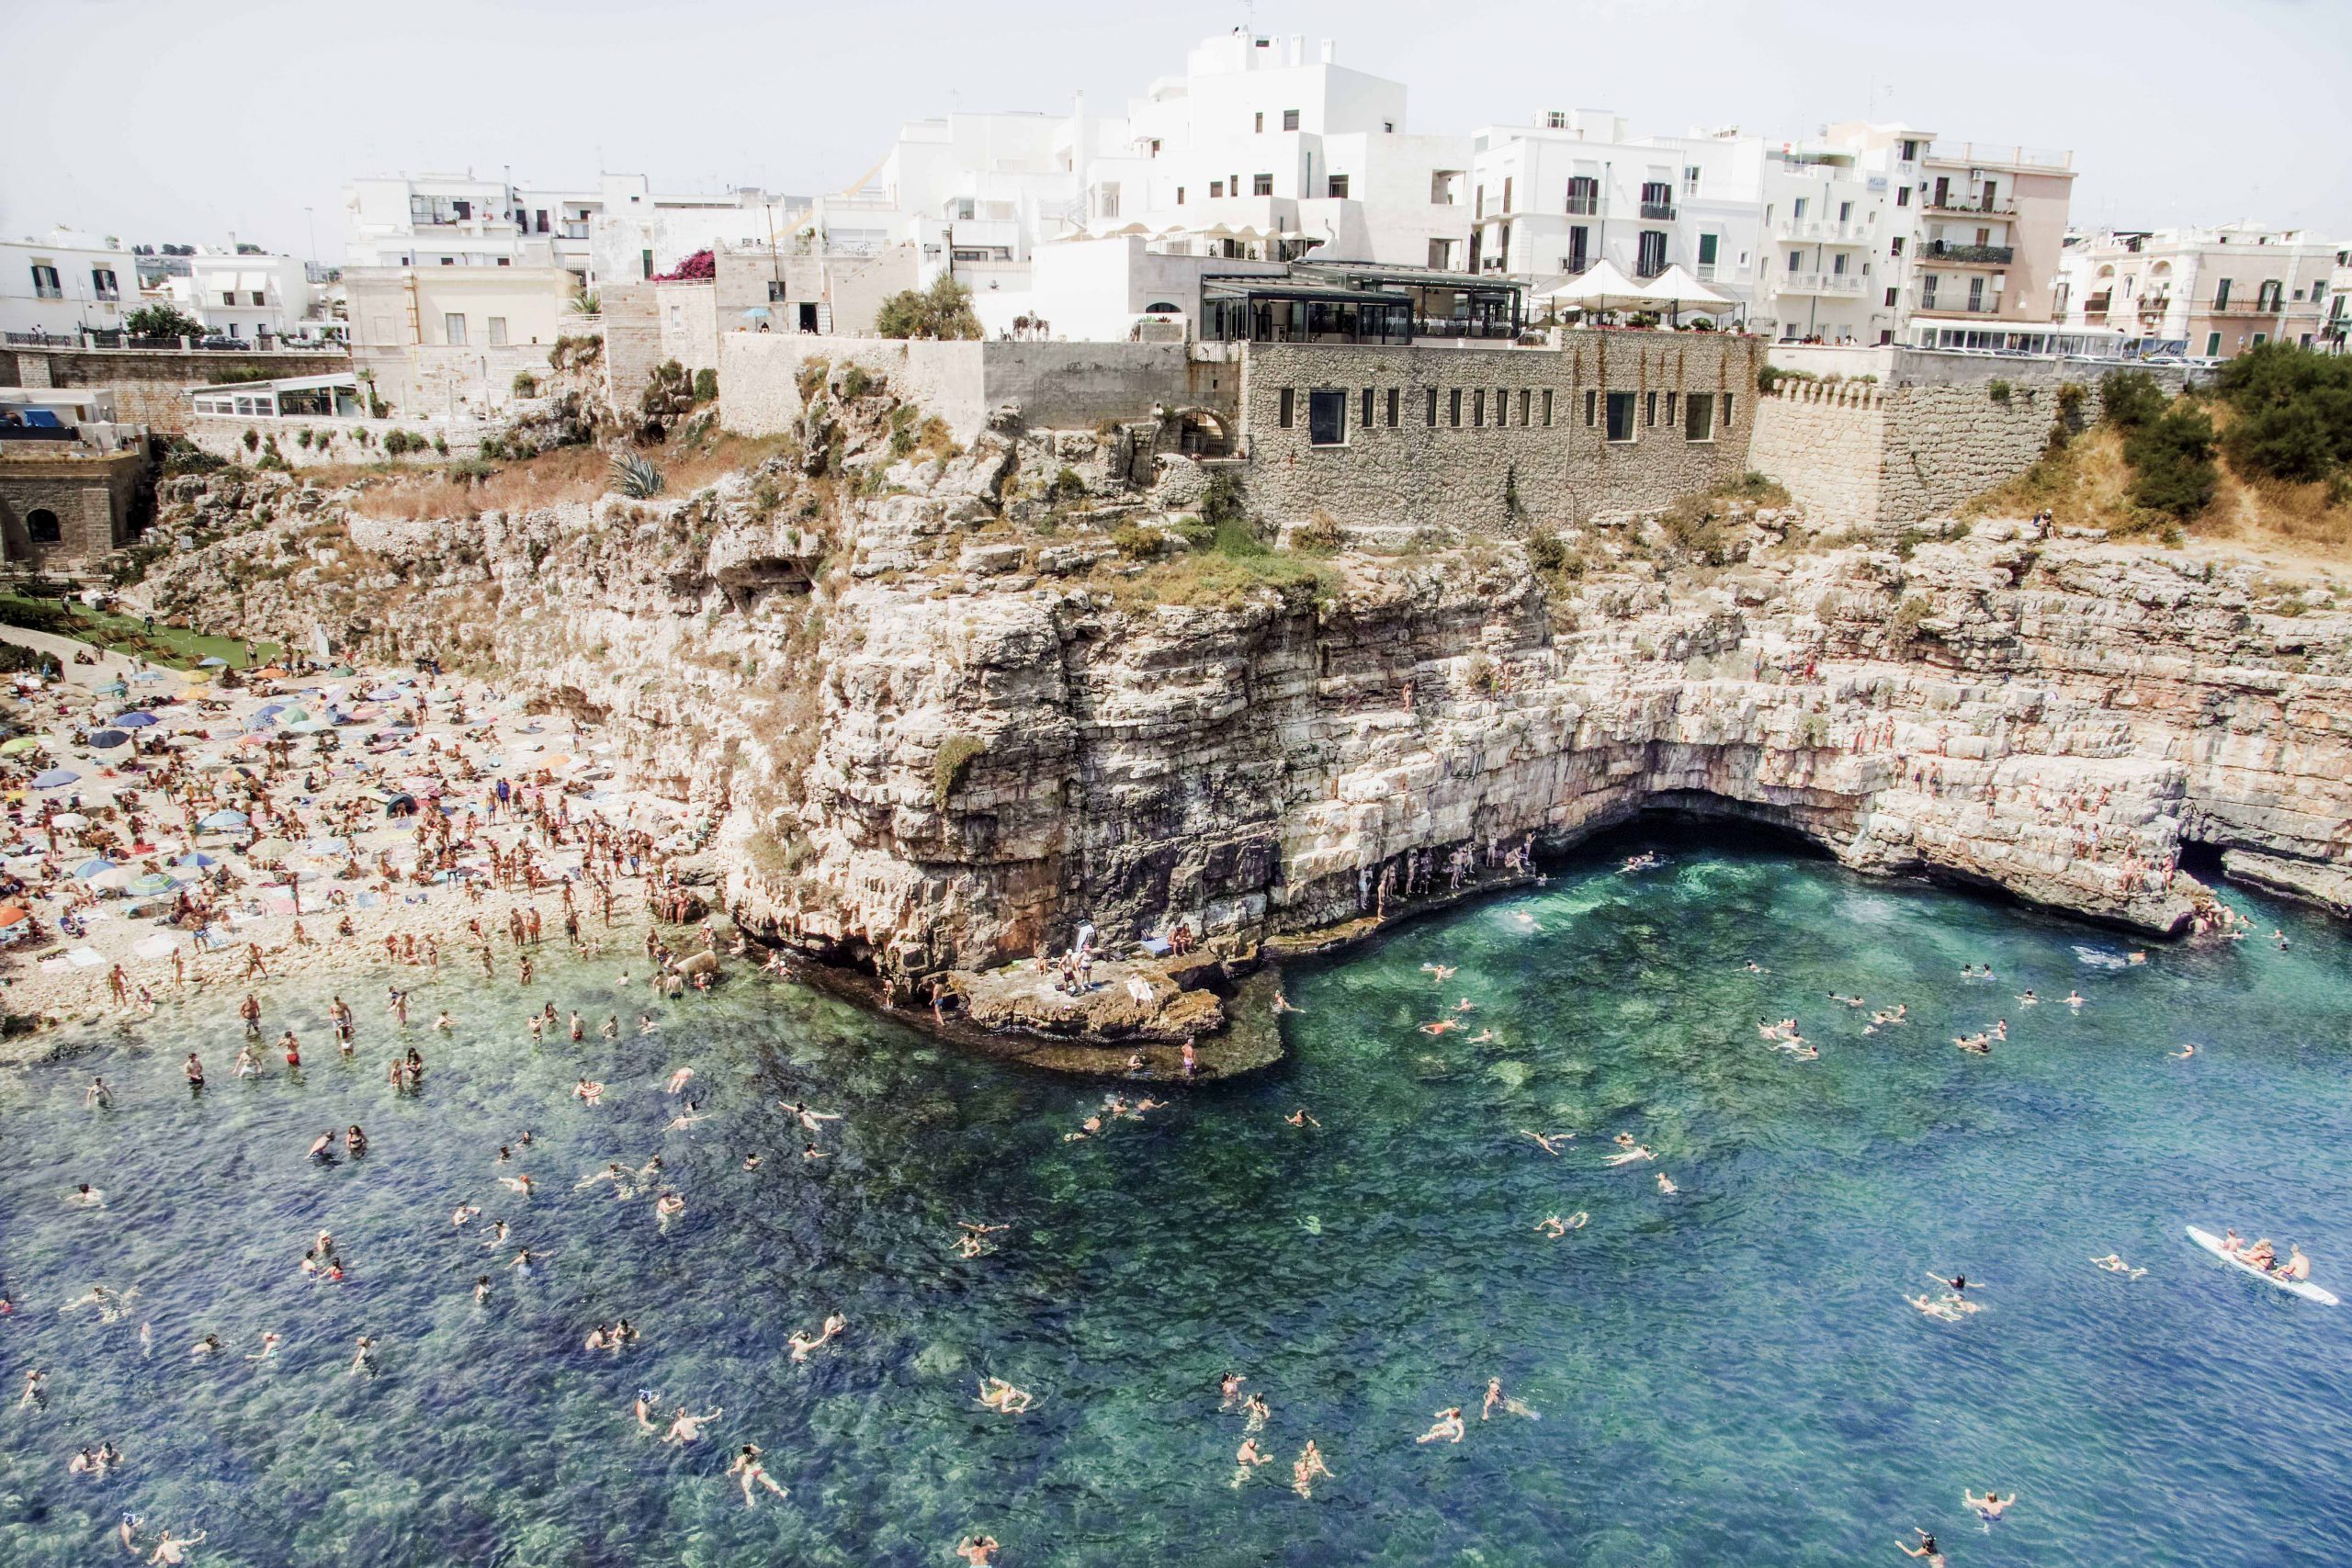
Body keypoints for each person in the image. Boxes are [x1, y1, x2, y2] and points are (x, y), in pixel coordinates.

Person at [728, 1443, 788, 1507]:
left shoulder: (740, 1458)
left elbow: (738, 1469)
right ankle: (782, 1492)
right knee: (771, 1484)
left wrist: (730, 1470)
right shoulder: (754, 1454)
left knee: (747, 1490)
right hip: (759, 1471)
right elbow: (762, 1451)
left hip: (749, 1474)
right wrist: (752, 1446)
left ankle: (751, 1505)